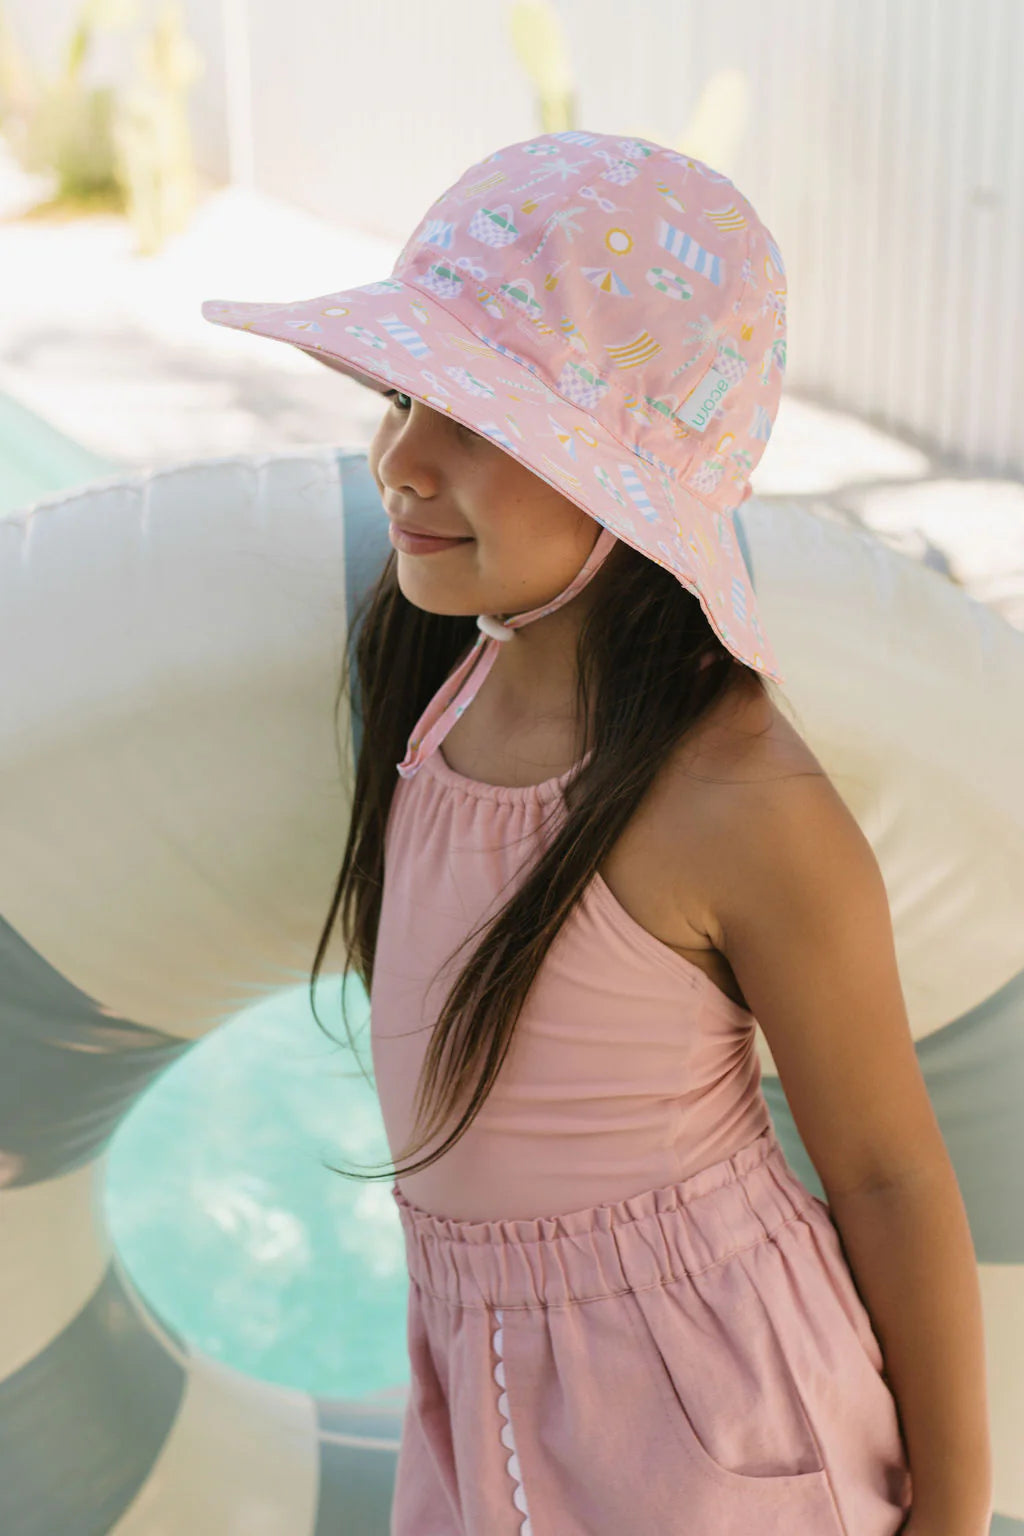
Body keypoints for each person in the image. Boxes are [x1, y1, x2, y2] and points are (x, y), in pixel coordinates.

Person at [202, 131, 990, 1536]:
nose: (403, 461)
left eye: (480, 422)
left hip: (714, 1408)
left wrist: (955, 1511)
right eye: (404, 397)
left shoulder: (735, 800)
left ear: (632, 481)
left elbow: (886, 1173)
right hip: (481, 1382)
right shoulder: (441, 685)